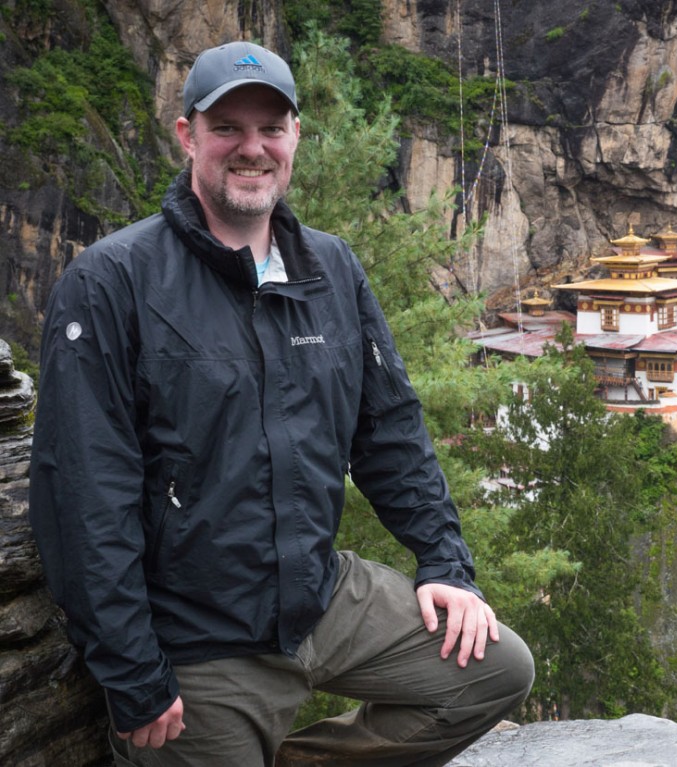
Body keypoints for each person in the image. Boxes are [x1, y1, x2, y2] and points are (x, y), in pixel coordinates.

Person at [28, 40, 534, 767]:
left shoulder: (331, 268)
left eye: (271, 126)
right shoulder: (112, 281)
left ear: (295, 135)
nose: (252, 148)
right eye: (227, 127)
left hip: (319, 598)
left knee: (494, 670)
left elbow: (389, 429)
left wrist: (445, 564)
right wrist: (133, 670)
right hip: (198, 640)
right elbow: (82, 495)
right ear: (188, 136)